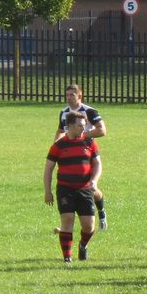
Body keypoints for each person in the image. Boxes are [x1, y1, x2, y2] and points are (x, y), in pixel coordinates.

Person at [44, 111, 101, 263]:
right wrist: (47, 191)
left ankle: (83, 245)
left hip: (85, 188)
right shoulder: (59, 145)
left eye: (84, 125)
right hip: (65, 188)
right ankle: (67, 258)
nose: (84, 129)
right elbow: (48, 168)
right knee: (67, 219)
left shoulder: (89, 142)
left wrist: (94, 180)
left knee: (89, 227)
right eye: (80, 126)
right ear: (70, 126)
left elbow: (97, 164)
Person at [57, 84, 108, 231]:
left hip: (87, 154)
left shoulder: (89, 111)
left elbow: (102, 130)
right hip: (70, 155)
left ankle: (101, 212)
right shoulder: (63, 113)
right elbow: (60, 130)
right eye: (67, 95)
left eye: (72, 95)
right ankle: (68, 224)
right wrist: (56, 146)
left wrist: (82, 136)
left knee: (91, 188)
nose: (69, 98)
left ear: (80, 96)